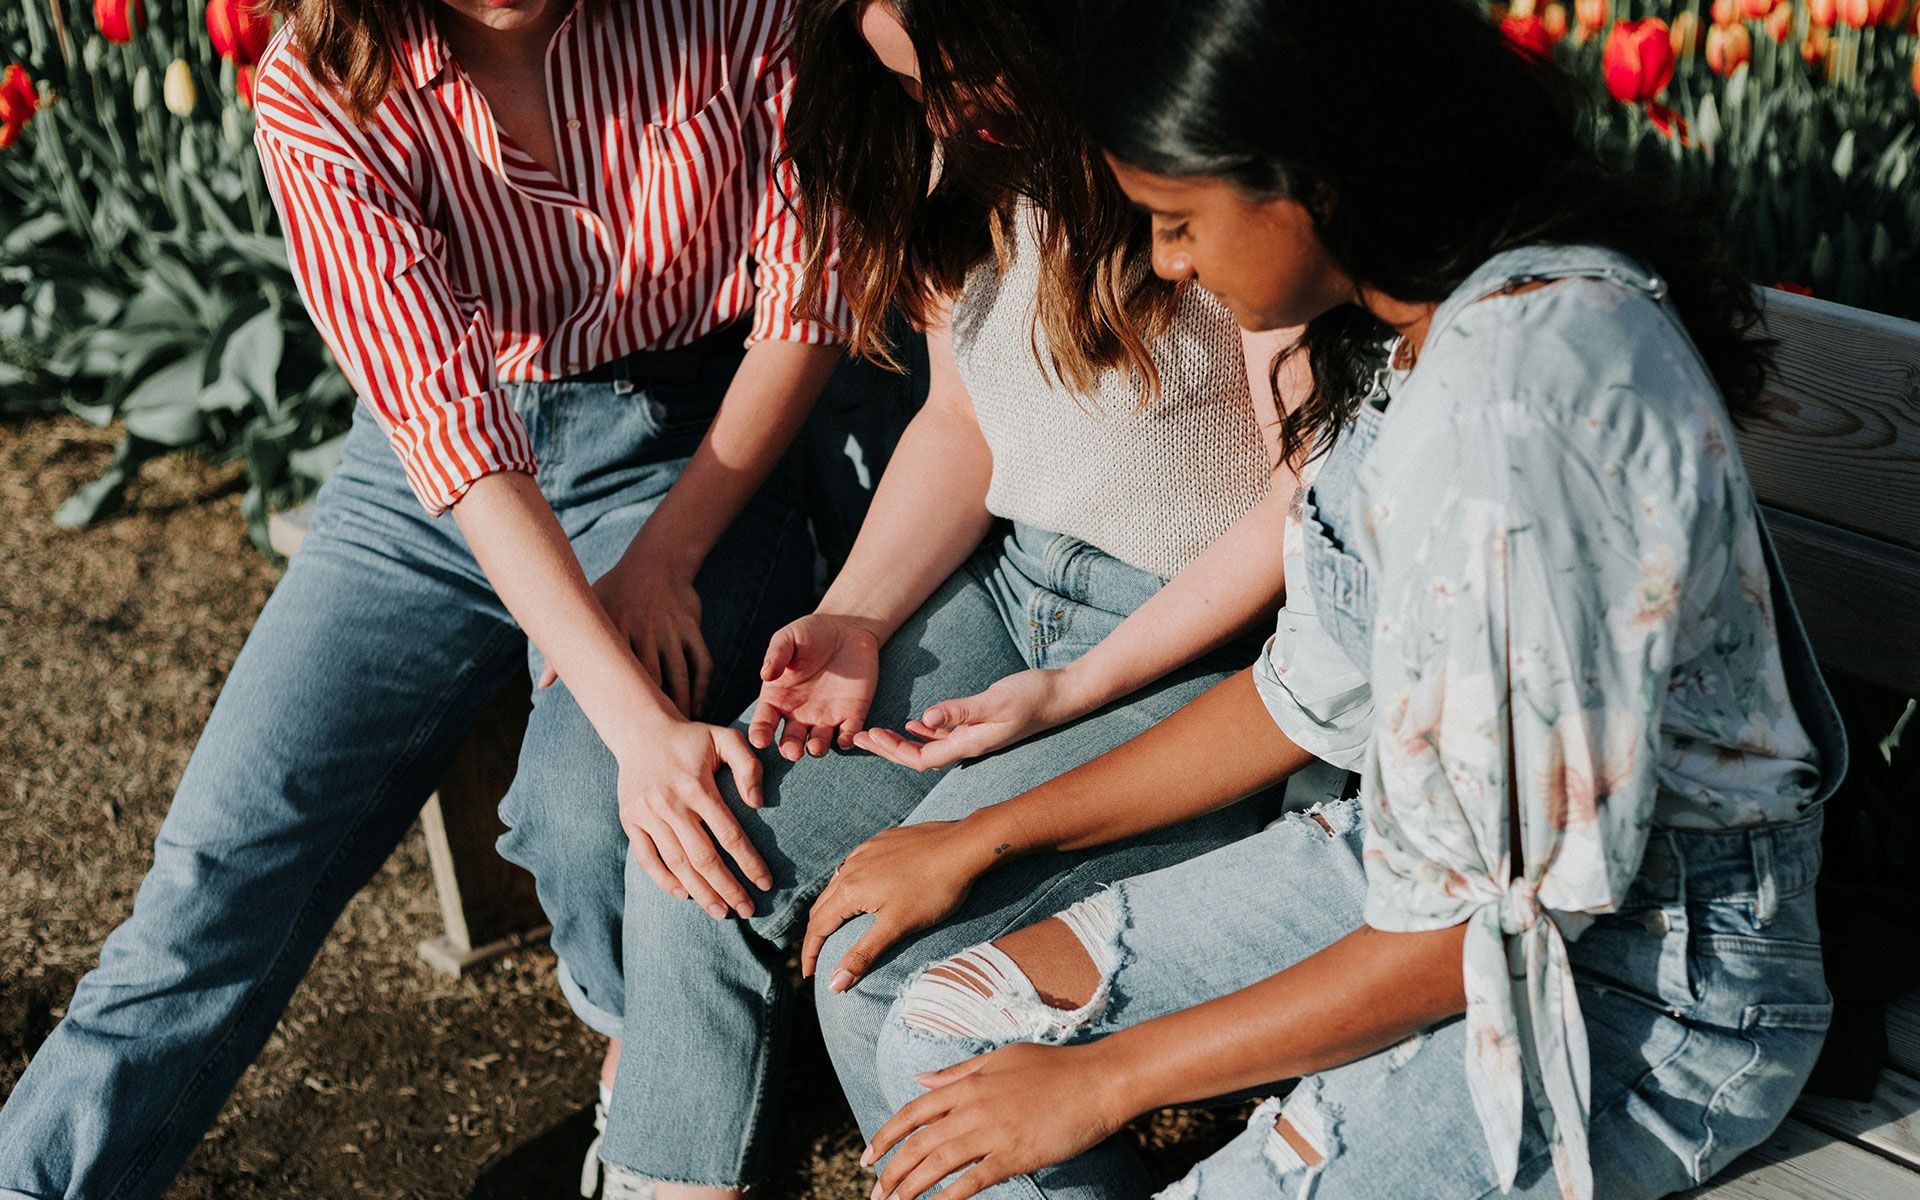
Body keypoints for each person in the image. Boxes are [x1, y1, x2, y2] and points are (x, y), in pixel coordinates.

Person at [829, 2, 1851, 1198]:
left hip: (1637, 991)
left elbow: (1485, 934)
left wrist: (1106, 1081)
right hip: (1405, 873)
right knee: (941, 1028)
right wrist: (981, 835)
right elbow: (1305, 694)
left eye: (1177, 222)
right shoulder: (1395, 332)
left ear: (1309, 178)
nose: (1168, 263)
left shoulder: (1522, 413)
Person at [0, 2, 849, 1198]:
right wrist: (630, 713)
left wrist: (662, 562)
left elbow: (813, 292)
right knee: (221, 866)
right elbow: (452, 438)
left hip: (689, 449)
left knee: (595, 807)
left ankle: (647, 1056)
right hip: (429, 476)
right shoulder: (316, 83)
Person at [531, 1, 1338, 1195]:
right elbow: (960, 422)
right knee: (701, 856)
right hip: (1010, 589)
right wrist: (857, 614)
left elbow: (1300, 505)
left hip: (1195, 645)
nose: (946, 115)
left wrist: (1071, 689)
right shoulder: (956, 152)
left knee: (887, 959)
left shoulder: (1194, 158)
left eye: (962, 76)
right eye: (914, 88)